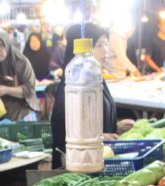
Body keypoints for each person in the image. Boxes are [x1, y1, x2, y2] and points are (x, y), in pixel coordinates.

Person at [50, 24, 117, 169]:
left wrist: (114, 127)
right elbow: (65, 133)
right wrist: (97, 137)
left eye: (106, 44)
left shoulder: (96, 80)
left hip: (101, 161)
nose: (105, 50)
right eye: (99, 45)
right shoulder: (72, 87)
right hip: (81, 168)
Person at [0, 31, 40, 122]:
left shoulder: (21, 63)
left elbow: (29, 90)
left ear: (7, 45)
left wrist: (6, 90)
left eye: (0, 45)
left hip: (22, 116)